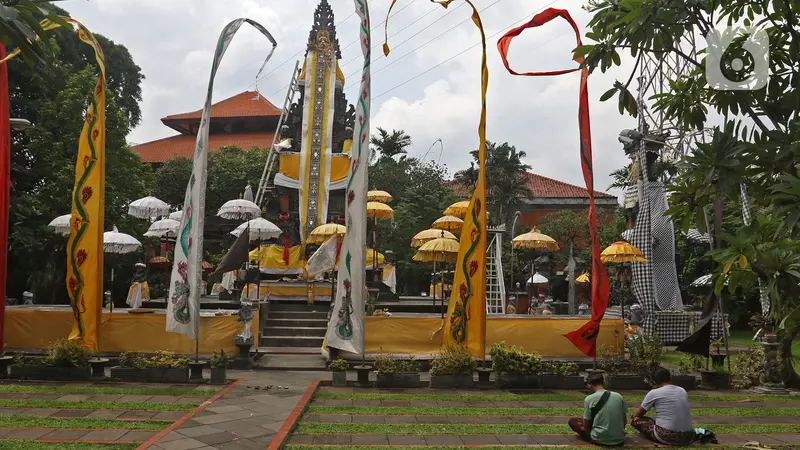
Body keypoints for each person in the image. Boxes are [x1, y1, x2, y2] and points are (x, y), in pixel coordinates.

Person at [632, 367, 696, 446]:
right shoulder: (682, 390)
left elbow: (638, 414)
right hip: (689, 436)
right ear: (670, 378)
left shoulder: (654, 393)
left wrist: (635, 417)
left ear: (655, 382)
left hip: (667, 436)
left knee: (635, 420)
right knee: (653, 420)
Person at [568, 373, 627, 446]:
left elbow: (586, 425)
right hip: (619, 438)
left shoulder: (589, 399)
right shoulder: (618, 396)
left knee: (573, 421)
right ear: (603, 382)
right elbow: (624, 421)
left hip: (599, 438)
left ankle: (598, 435)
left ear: (589, 385)